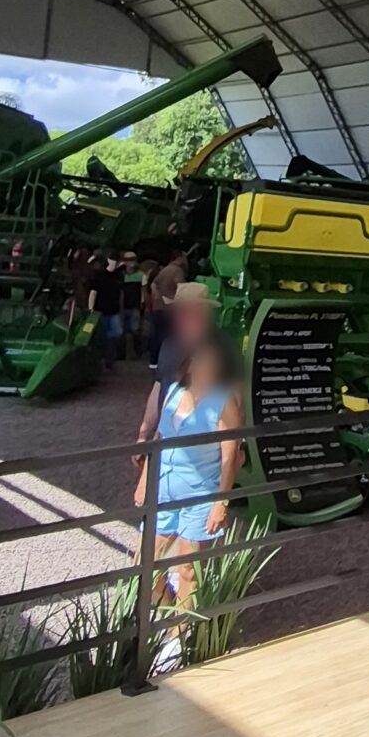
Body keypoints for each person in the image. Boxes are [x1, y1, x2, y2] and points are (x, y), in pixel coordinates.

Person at [136, 330, 243, 624]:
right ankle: (168, 613)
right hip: (164, 490)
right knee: (143, 564)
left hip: (200, 494)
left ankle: (179, 634)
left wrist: (220, 503)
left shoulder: (223, 402)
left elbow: (230, 455)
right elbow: (159, 438)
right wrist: (144, 480)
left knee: (187, 569)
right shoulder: (173, 392)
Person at [146, 245, 189, 374]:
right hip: (170, 309)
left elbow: (153, 284)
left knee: (157, 335)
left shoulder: (164, 270)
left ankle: (154, 361)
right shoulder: (177, 271)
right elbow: (181, 287)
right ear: (179, 258)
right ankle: (168, 363)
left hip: (158, 307)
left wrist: (157, 295)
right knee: (170, 338)